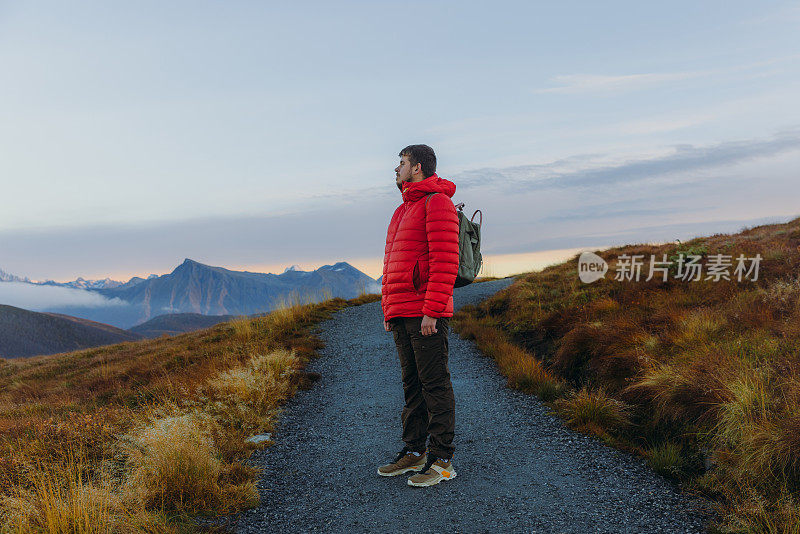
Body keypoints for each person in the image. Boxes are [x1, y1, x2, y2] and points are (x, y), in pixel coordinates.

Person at [377, 144, 460, 487]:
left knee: (434, 385)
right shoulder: (401, 212)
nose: (395, 169)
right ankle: (415, 452)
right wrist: (388, 308)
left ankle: (441, 461)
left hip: (425, 313)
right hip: (401, 312)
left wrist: (433, 310)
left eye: (401, 163)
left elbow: (445, 261)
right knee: (412, 385)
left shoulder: (436, 203)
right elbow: (389, 263)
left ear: (418, 167)